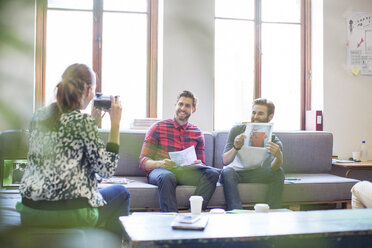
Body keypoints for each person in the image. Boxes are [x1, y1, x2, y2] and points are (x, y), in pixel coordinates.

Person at [16, 63, 130, 240]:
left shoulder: (38, 116)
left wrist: (91, 121)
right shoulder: (82, 122)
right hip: (70, 213)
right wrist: (115, 124)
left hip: (31, 210)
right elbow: (107, 170)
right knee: (122, 194)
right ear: (88, 91)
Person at [139, 90, 219, 212]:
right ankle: (171, 217)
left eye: (187, 106)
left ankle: (193, 213)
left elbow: (202, 163)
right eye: (180, 104)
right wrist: (160, 163)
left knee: (212, 173)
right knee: (167, 176)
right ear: (175, 105)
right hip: (161, 171)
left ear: (193, 110)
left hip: (186, 171)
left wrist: (198, 164)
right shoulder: (158, 127)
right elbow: (143, 161)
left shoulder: (197, 133)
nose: (183, 108)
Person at [220, 98, 285, 210]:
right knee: (227, 171)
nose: (255, 117)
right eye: (253, 112)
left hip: (256, 173)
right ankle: (236, 211)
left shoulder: (273, 140)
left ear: (270, 117)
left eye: (260, 113)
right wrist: (236, 147)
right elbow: (225, 161)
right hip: (235, 173)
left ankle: (272, 211)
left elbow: (274, 168)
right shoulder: (237, 130)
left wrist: (279, 157)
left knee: (279, 172)